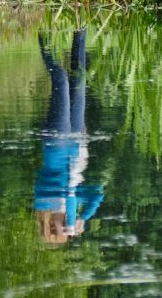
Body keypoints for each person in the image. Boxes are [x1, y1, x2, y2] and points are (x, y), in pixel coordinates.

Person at [34, 28, 104, 245]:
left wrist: (74, 218)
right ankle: (80, 31)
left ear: (49, 223)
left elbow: (70, 191)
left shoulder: (44, 203)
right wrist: (84, 217)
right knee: (80, 78)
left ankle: (43, 39)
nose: (64, 220)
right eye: (67, 225)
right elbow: (98, 193)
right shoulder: (70, 204)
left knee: (62, 80)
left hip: (57, 141)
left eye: (60, 225)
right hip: (77, 139)